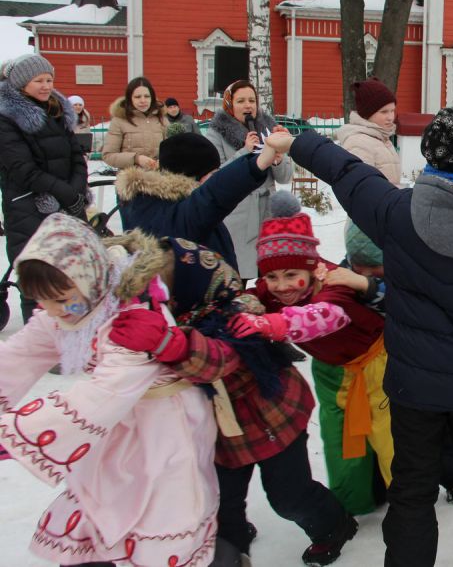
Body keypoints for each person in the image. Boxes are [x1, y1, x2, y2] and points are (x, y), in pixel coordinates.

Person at [264, 108, 453, 567]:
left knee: (412, 491)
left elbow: (347, 171)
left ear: (430, 154)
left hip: (413, 387)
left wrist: (294, 142)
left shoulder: (397, 212)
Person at [108, 233, 357, 566]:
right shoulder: (164, 323)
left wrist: (169, 344)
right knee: (221, 506)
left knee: (289, 496)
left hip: (271, 417)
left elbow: (217, 362)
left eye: (159, 294)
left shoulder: (233, 316)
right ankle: (232, 547)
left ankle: (334, 525)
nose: (154, 303)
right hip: (218, 432)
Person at [0, 214, 219, 566]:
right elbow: (17, 357)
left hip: (162, 432)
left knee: (157, 520)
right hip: (112, 429)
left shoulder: (133, 316)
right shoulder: (69, 312)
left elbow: (106, 391)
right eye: (43, 301)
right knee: (97, 512)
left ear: (89, 279)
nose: (54, 311)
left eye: (61, 298)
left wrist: (16, 435)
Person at [253, 192, 393, 517]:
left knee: (390, 439)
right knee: (339, 441)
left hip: (375, 366)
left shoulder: (335, 284)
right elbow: (250, 294)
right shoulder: (273, 289)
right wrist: (241, 305)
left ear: (310, 267)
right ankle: (353, 501)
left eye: (290, 275)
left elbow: (321, 317)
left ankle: (411, 505)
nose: (281, 285)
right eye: (272, 276)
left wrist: (268, 323)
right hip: (330, 370)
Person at [0, 54, 89, 323]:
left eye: (49, 79)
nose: (45, 85)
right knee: (37, 277)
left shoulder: (57, 110)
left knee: (72, 274)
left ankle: (73, 329)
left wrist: (77, 191)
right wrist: (66, 193)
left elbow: (76, 155)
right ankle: (41, 342)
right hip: (29, 207)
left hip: (67, 203)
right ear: (21, 83)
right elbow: (21, 169)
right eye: (38, 80)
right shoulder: (6, 118)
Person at [117, 131, 284, 273]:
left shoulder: (174, 203)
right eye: (212, 174)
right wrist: (258, 164)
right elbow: (212, 196)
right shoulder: (162, 214)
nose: (215, 179)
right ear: (189, 177)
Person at [206, 79, 294, 280]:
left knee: (269, 275)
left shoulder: (269, 130)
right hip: (236, 215)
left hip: (267, 215)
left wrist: (278, 160)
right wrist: (244, 152)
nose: (248, 106)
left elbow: (286, 177)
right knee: (238, 275)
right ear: (230, 105)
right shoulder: (216, 134)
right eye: (241, 101)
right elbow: (214, 177)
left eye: (252, 100)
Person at [336, 78, 400, 184]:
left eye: (392, 111)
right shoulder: (359, 143)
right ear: (368, 113)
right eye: (384, 112)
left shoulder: (382, 139)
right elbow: (362, 188)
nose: (390, 117)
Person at [102, 76, 168, 171]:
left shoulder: (162, 119)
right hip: (131, 180)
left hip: (159, 178)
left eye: (147, 96)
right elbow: (108, 155)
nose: (143, 100)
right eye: (137, 97)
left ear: (152, 97)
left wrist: (163, 161)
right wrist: (136, 159)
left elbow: (172, 150)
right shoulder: (119, 121)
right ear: (130, 98)